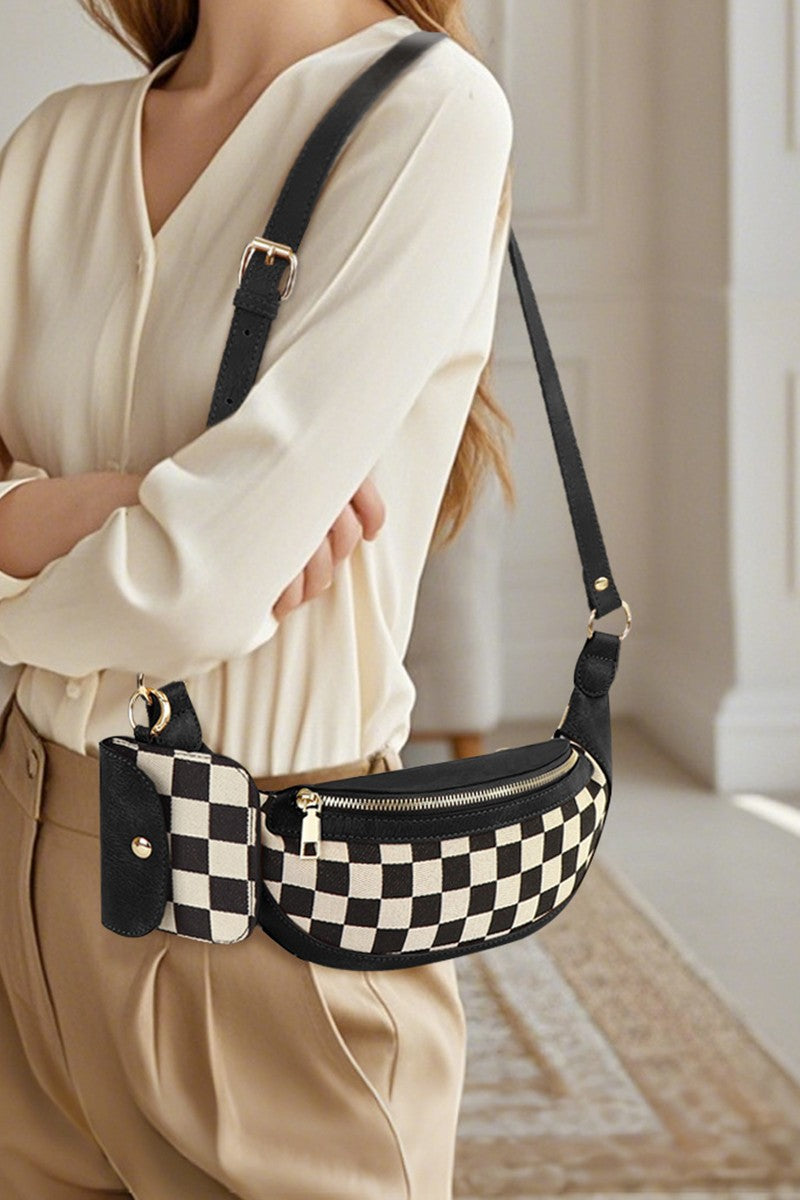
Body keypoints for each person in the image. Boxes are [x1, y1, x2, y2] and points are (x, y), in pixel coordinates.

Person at [0, 0, 514, 1196]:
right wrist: (80, 518)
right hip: (21, 887)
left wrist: (33, 523)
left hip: (269, 917)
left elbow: (193, 591)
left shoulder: (428, 112)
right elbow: (195, 572)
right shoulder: (55, 145)